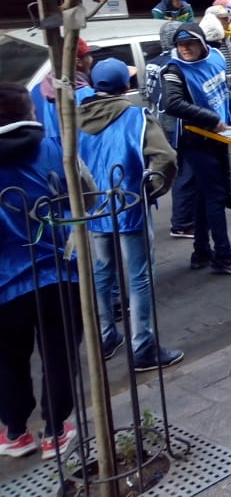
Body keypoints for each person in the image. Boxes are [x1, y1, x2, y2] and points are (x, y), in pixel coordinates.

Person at [79, 59, 183, 371]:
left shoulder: (75, 119)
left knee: (102, 272)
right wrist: (152, 190)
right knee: (139, 276)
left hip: (93, 208)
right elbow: (166, 158)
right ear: (126, 85)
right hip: (130, 206)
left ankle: (105, 336)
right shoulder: (137, 117)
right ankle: (143, 347)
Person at [0, 84, 85, 460]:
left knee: (7, 359)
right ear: (28, 112)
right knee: (59, 352)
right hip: (57, 273)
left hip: (4, 281)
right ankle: (55, 430)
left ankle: (14, 432)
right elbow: (87, 193)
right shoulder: (55, 148)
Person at [162, 24, 231, 275]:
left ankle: (201, 251)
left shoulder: (215, 57)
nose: (185, 48)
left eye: (190, 43)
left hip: (217, 138)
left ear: (202, 44)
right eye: (180, 44)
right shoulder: (174, 70)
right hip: (196, 140)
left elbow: (224, 95)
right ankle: (223, 256)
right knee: (215, 197)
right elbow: (172, 103)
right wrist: (211, 118)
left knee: (203, 195)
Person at [145, 22, 196, 240]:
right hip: (176, 126)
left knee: (176, 171)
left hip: (158, 123)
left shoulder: (151, 63)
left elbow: (147, 93)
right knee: (185, 173)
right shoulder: (174, 65)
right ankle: (182, 223)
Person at [30, 37, 96, 138]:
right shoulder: (88, 97)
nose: (91, 59)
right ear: (78, 62)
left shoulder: (36, 90)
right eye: (88, 56)